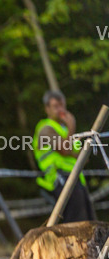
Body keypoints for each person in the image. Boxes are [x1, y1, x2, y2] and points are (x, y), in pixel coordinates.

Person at [34, 90, 97, 222]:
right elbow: (64, 149)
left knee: (89, 221)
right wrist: (71, 127)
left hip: (76, 178)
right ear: (47, 109)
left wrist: (71, 150)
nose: (61, 110)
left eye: (62, 105)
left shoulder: (63, 130)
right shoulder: (45, 128)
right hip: (59, 179)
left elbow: (83, 158)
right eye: (56, 106)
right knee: (75, 223)